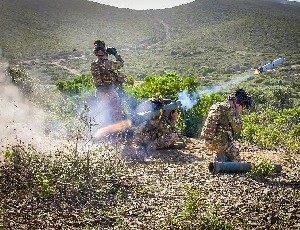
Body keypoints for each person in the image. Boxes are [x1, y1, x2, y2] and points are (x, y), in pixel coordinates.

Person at [201, 89, 252, 162]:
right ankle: (222, 164)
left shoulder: (217, 105)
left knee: (225, 153)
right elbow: (237, 128)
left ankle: (220, 158)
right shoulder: (230, 109)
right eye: (242, 107)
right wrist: (237, 115)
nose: (241, 109)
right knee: (236, 158)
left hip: (207, 141)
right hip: (220, 143)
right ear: (239, 104)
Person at [90, 40, 126, 125]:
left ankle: (105, 133)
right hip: (109, 92)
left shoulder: (93, 64)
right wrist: (115, 54)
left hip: (99, 92)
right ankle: (119, 134)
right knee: (117, 113)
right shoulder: (107, 63)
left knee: (103, 114)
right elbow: (121, 64)